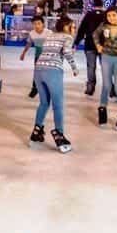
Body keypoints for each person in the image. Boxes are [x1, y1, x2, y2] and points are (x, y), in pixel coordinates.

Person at [29, 16, 79, 153]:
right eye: (73, 27)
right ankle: (60, 136)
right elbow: (67, 52)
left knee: (44, 103)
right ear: (66, 27)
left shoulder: (50, 36)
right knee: (57, 105)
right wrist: (74, 67)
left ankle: (36, 132)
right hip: (53, 71)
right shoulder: (67, 37)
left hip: (38, 70)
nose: (74, 29)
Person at [74, 0, 106, 97]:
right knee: (106, 67)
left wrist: (76, 43)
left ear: (93, 6)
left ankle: (90, 87)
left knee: (91, 67)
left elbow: (81, 30)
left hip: (90, 45)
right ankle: (110, 88)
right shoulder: (106, 15)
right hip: (103, 46)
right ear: (102, 5)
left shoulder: (89, 15)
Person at [20, 15, 51, 99]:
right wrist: (23, 53)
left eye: (38, 23)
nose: (36, 26)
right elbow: (29, 43)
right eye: (34, 24)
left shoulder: (49, 33)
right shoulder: (32, 33)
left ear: (43, 24)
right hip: (38, 56)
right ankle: (35, 88)